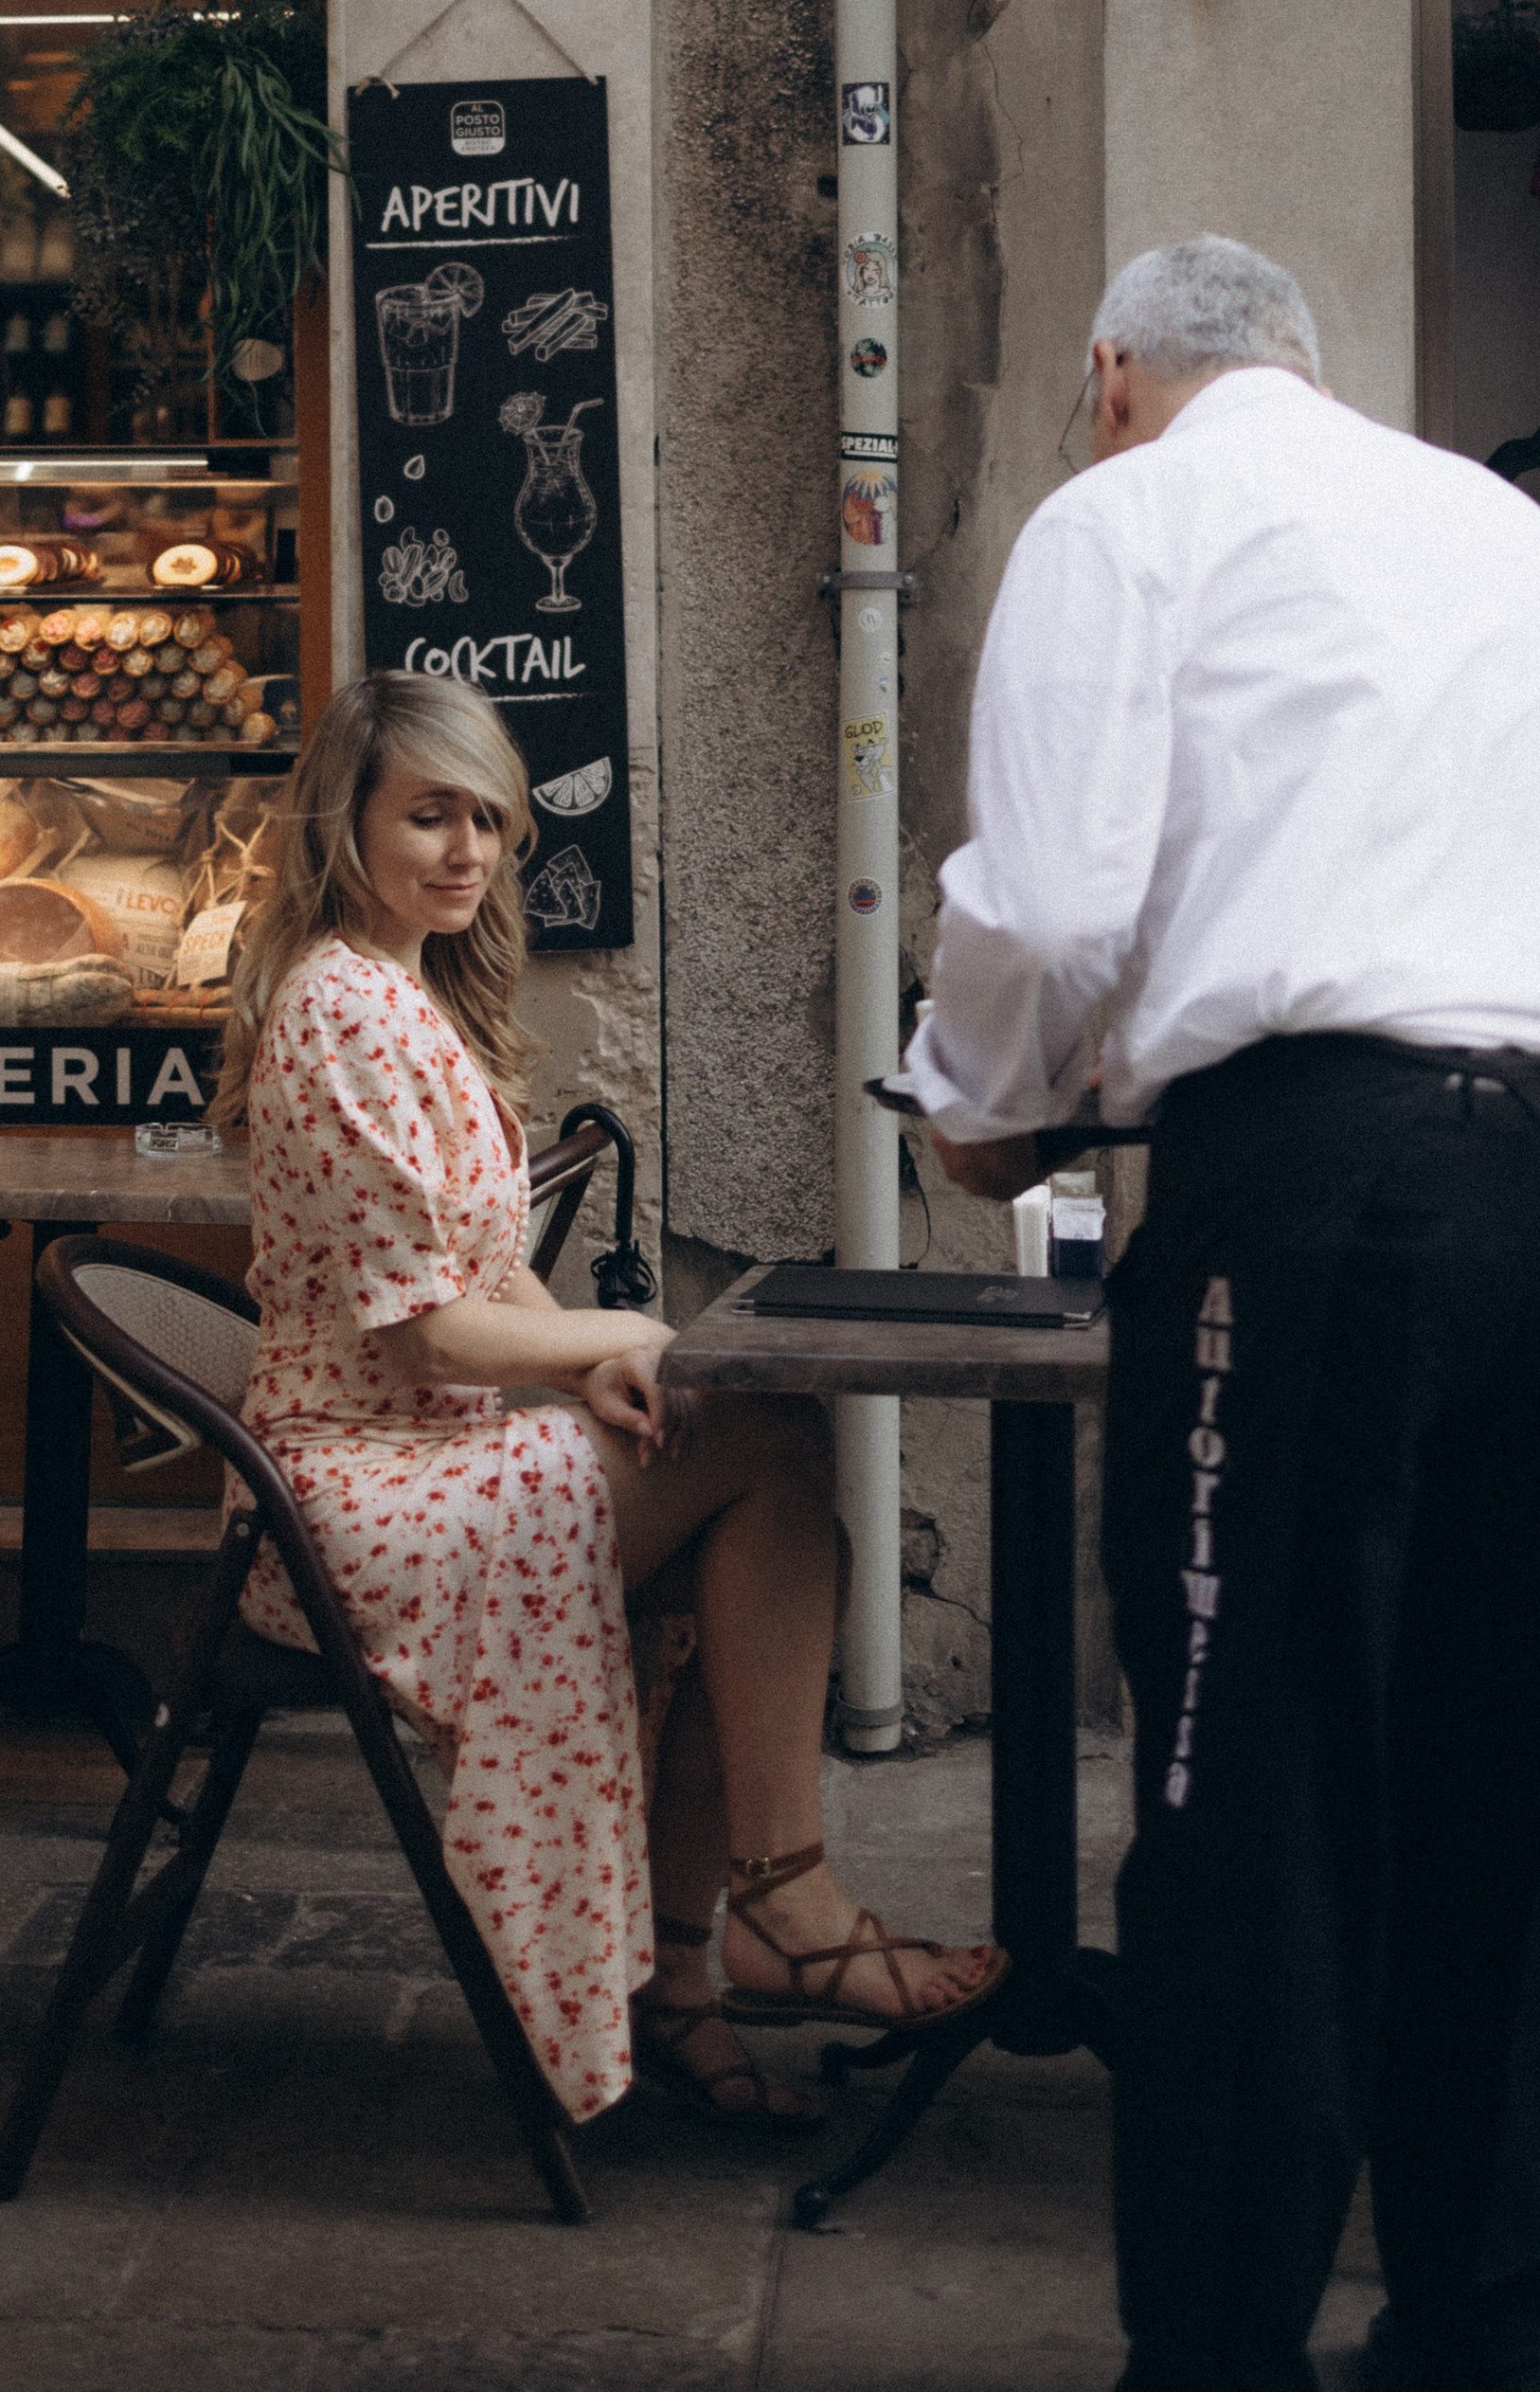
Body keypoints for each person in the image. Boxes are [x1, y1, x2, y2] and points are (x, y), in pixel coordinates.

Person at [901, 238, 1540, 2392]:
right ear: (1309, 368)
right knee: (1504, 1768)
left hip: (1319, 1187)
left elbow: (1049, 902)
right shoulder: (1512, 536)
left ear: (1114, 369)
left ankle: (1218, 2346)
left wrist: (983, 1107)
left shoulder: (1123, 514)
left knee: (1246, 1770)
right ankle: (1471, 2325)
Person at [214, 668, 1003, 2130]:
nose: (464, 850)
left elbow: (484, 1271)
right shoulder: (340, 1008)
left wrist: (594, 1353)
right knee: (763, 1443)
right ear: (348, 822)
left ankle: (695, 1972)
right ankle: (774, 1907)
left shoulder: (404, 991)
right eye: (427, 815)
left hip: (426, 1444)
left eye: (488, 821)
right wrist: (615, 1334)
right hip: (351, 1488)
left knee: (735, 1467)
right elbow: (421, 1338)